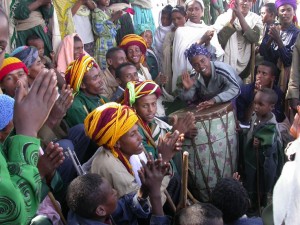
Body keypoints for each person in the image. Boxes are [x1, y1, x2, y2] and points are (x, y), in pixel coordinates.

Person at [86, 102, 182, 199]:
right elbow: (144, 207)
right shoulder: (111, 167)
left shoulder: (126, 151)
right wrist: (164, 158)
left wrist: (162, 156)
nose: (140, 137)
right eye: (133, 134)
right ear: (116, 143)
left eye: (138, 131)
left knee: (175, 181)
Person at [67, 155, 171, 225]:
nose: (116, 192)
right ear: (100, 210)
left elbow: (124, 206)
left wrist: (144, 189)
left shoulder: (89, 211)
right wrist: (155, 194)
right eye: (112, 193)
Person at [243, 88, 283, 211]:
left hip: (264, 162)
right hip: (253, 160)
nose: (256, 106)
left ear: (271, 107)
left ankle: (261, 207)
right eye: (255, 102)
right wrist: (243, 132)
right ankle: (252, 202)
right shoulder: (256, 116)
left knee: (261, 183)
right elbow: (251, 130)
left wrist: (260, 144)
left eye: (261, 104)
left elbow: (271, 146)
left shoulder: (271, 126)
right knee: (252, 180)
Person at [171, 0, 224, 91]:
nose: (193, 12)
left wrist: (207, 43)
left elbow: (216, 55)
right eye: (190, 9)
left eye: (197, 9)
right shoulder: (181, 31)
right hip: (187, 75)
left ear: (202, 11)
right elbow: (182, 56)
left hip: (206, 74)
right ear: (186, 13)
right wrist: (202, 40)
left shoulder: (209, 30)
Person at [177, 44, 240, 111]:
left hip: (237, 97)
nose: (201, 66)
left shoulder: (221, 70)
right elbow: (187, 98)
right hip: (213, 101)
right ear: (192, 66)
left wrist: (214, 100)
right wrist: (188, 89)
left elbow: (235, 89)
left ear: (208, 57)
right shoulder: (194, 76)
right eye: (196, 65)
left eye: (202, 61)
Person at [214, 0, 263, 79]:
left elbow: (254, 39)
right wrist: (232, 20)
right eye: (243, 0)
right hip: (225, 64)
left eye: (249, 1)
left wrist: (240, 16)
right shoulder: (223, 18)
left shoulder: (255, 19)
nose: (245, 3)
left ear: (253, 3)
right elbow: (219, 41)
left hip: (246, 67)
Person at [259, 0, 300, 91]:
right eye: (282, 10)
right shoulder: (273, 27)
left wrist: (278, 40)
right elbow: (262, 52)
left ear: (294, 12)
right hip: (266, 76)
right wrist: (271, 38)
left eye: (289, 10)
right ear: (278, 13)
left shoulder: (297, 34)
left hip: (283, 80)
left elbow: (288, 61)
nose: (286, 13)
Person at [64, 54, 107, 128]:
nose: (100, 81)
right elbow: (89, 135)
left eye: (99, 75)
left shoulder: (101, 98)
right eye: (95, 78)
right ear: (82, 85)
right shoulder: (76, 107)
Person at [162, 5, 186, 93]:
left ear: (185, 17)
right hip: (173, 69)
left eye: (179, 18)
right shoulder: (170, 35)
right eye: (173, 19)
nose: (176, 21)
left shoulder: (191, 31)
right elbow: (166, 55)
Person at [92, 0, 122, 70]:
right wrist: (113, 18)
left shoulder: (110, 11)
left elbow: (117, 27)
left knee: (113, 65)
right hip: (102, 46)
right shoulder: (96, 12)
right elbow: (99, 31)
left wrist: (116, 18)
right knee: (104, 67)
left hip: (112, 43)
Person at [154, 4, 173, 73]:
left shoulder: (173, 31)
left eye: (167, 19)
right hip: (159, 61)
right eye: (162, 18)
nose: (164, 21)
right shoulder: (157, 31)